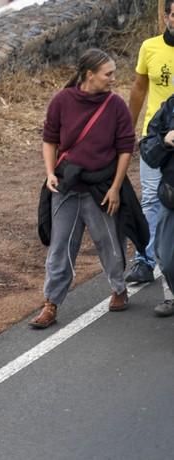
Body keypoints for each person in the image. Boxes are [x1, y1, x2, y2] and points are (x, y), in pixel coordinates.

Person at [31, 48, 147, 330]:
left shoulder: (116, 106)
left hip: (102, 186)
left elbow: (124, 149)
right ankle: (51, 303)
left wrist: (117, 187)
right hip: (67, 185)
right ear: (89, 75)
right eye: (108, 74)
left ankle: (118, 288)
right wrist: (49, 174)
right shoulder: (62, 101)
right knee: (60, 246)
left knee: (108, 241)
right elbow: (50, 140)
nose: (112, 79)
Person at [127, 0, 174, 308]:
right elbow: (139, 89)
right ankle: (144, 259)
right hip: (155, 136)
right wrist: (127, 131)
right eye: (173, 13)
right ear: (167, 15)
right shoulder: (150, 48)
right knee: (150, 199)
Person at [138, 94, 174, 316]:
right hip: (171, 198)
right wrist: (164, 142)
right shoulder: (170, 107)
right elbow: (148, 150)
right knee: (167, 260)